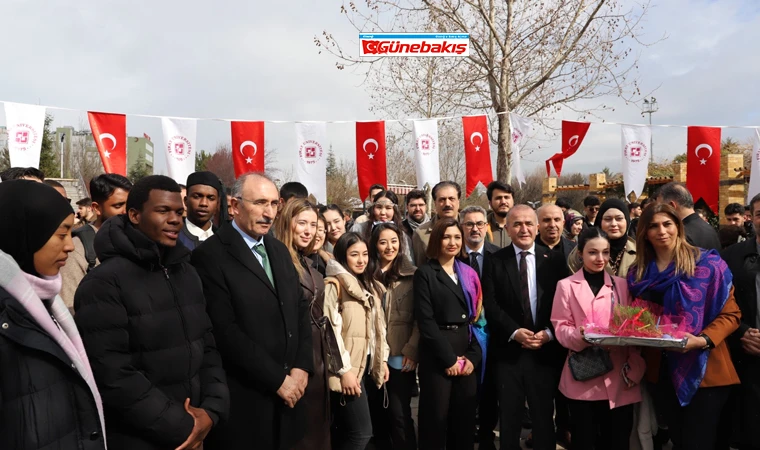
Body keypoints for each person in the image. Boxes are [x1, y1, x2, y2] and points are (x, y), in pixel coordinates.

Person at [74, 175, 229, 450]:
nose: (175, 219)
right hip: (141, 437)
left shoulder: (188, 273)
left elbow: (207, 346)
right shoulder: (103, 283)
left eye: (179, 212)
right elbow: (113, 373)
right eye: (163, 211)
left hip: (197, 432)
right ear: (134, 215)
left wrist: (211, 412)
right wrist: (181, 427)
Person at [191, 172, 312, 450]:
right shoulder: (209, 257)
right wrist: (277, 379)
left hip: (290, 401)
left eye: (273, 204)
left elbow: (299, 310)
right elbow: (225, 331)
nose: (268, 213)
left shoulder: (279, 251)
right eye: (259, 203)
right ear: (234, 206)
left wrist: (302, 366)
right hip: (247, 403)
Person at [0, 180, 106, 450]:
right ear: (24, 234)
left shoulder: (44, 300)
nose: (70, 246)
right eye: (62, 234)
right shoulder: (9, 314)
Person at [627, 203, 741, 450]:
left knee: (698, 442)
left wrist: (701, 340)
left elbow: (731, 314)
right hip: (662, 372)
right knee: (679, 440)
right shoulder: (638, 273)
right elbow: (637, 318)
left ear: (678, 227)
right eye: (653, 226)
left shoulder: (708, 265)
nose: (661, 231)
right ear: (644, 232)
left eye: (667, 224)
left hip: (706, 370)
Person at [481, 205, 569, 450]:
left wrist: (549, 334)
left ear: (537, 226)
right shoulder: (495, 261)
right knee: (509, 418)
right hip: (508, 352)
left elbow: (562, 303)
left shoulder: (554, 260)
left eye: (529, 223)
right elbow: (491, 303)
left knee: (542, 418)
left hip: (544, 351)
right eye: (517, 224)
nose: (524, 229)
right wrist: (514, 332)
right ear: (507, 229)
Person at [551, 227, 645, 450]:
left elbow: (634, 329)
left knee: (618, 440)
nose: (600, 258)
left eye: (605, 252)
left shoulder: (621, 286)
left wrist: (636, 367)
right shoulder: (565, 286)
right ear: (580, 253)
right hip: (583, 377)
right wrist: (580, 336)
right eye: (593, 252)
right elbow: (561, 327)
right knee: (586, 440)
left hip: (620, 377)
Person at [414, 218, 487, 450]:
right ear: (436, 239)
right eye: (446, 237)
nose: (453, 242)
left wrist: (473, 358)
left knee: (464, 422)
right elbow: (426, 322)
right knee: (435, 421)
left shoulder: (468, 273)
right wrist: (449, 359)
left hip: (466, 354)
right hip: (438, 355)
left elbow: (479, 319)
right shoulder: (425, 273)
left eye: (457, 237)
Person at [275, 199, 340, 450]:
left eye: (313, 225)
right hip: (296, 361)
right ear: (287, 223)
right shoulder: (279, 262)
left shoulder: (307, 261)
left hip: (319, 356)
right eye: (301, 223)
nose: (308, 230)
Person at [324, 232, 389, 450]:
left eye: (365, 254)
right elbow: (330, 332)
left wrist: (383, 360)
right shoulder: (335, 285)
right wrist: (344, 371)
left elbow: (379, 329)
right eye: (354, 255)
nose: (361, 260)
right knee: (361, 434)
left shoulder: (370, 286)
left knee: (351, 431)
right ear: (343, 256)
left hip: (369, 365)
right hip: (349, 370)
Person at [368, 222, 420, 450]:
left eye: (394, 241)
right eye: (383, 242)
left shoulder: (413, 275)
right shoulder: (366, 274)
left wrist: (412, 349)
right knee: (376, 411)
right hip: (371, 354)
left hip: (401, 353)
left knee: (399, 413)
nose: (389, 247)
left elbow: (421, 318)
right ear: (374, 246)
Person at [721, 192, 760, 450]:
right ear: (751, 218)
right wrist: (742, 332)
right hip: (748, 355)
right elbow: (720, 303)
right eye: (759, 214)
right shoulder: (732, 257)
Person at [60, 173, 132, 310]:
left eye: (129, 205)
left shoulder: (141, 243)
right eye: (118, 206)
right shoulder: (78, 249)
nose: (126, 212)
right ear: (97, 208)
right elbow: (69, 309)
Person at [568, 198, 637, 279]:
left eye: (619, 219)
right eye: (608, 219)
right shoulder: (581, 251)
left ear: (627, 221)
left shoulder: (639, 252)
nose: (613, 224)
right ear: (600, 221)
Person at [655, 182, 720, 251]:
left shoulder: (682, 234)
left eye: (661, 207)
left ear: (672, 206)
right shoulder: (708, 228)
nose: (659, 212)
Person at [351, 190, 413, 261]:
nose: (383, 212)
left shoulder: (403, 236)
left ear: (394, 210)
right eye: (379, 207)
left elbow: (408, 264)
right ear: (373, 208)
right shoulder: (358, 230)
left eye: (388, 208)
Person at [412, 181, 462, 266]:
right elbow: (420, 267)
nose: (447, 204)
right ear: (435, 203)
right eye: (442, 200)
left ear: (458, 202)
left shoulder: (470, 227)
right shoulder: (421, 233)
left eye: (451, 199)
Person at [178, 171, 225, 251]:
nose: (204, 203)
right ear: (186, 201)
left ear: (217, 204)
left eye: (210, 198)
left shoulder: (225, 240)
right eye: (197, 196)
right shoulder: (174, 237)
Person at [461, 206, 500, 278]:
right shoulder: (454, 256)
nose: (475, 229)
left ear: (486, 227)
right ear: (461, 227)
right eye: (469, 224)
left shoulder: (499, 256)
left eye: (479, 224)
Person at [485, 181, 514, 248]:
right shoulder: (481, 228)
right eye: (498, 198)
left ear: (513, 200)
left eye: (506, 197)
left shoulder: (524, 228)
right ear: (490, 203)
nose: (503, 202)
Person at [309, 212, 332, 277]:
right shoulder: (296, 260)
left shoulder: (328, 260)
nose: (316, 234)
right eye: (313, 228)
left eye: (320, 230)